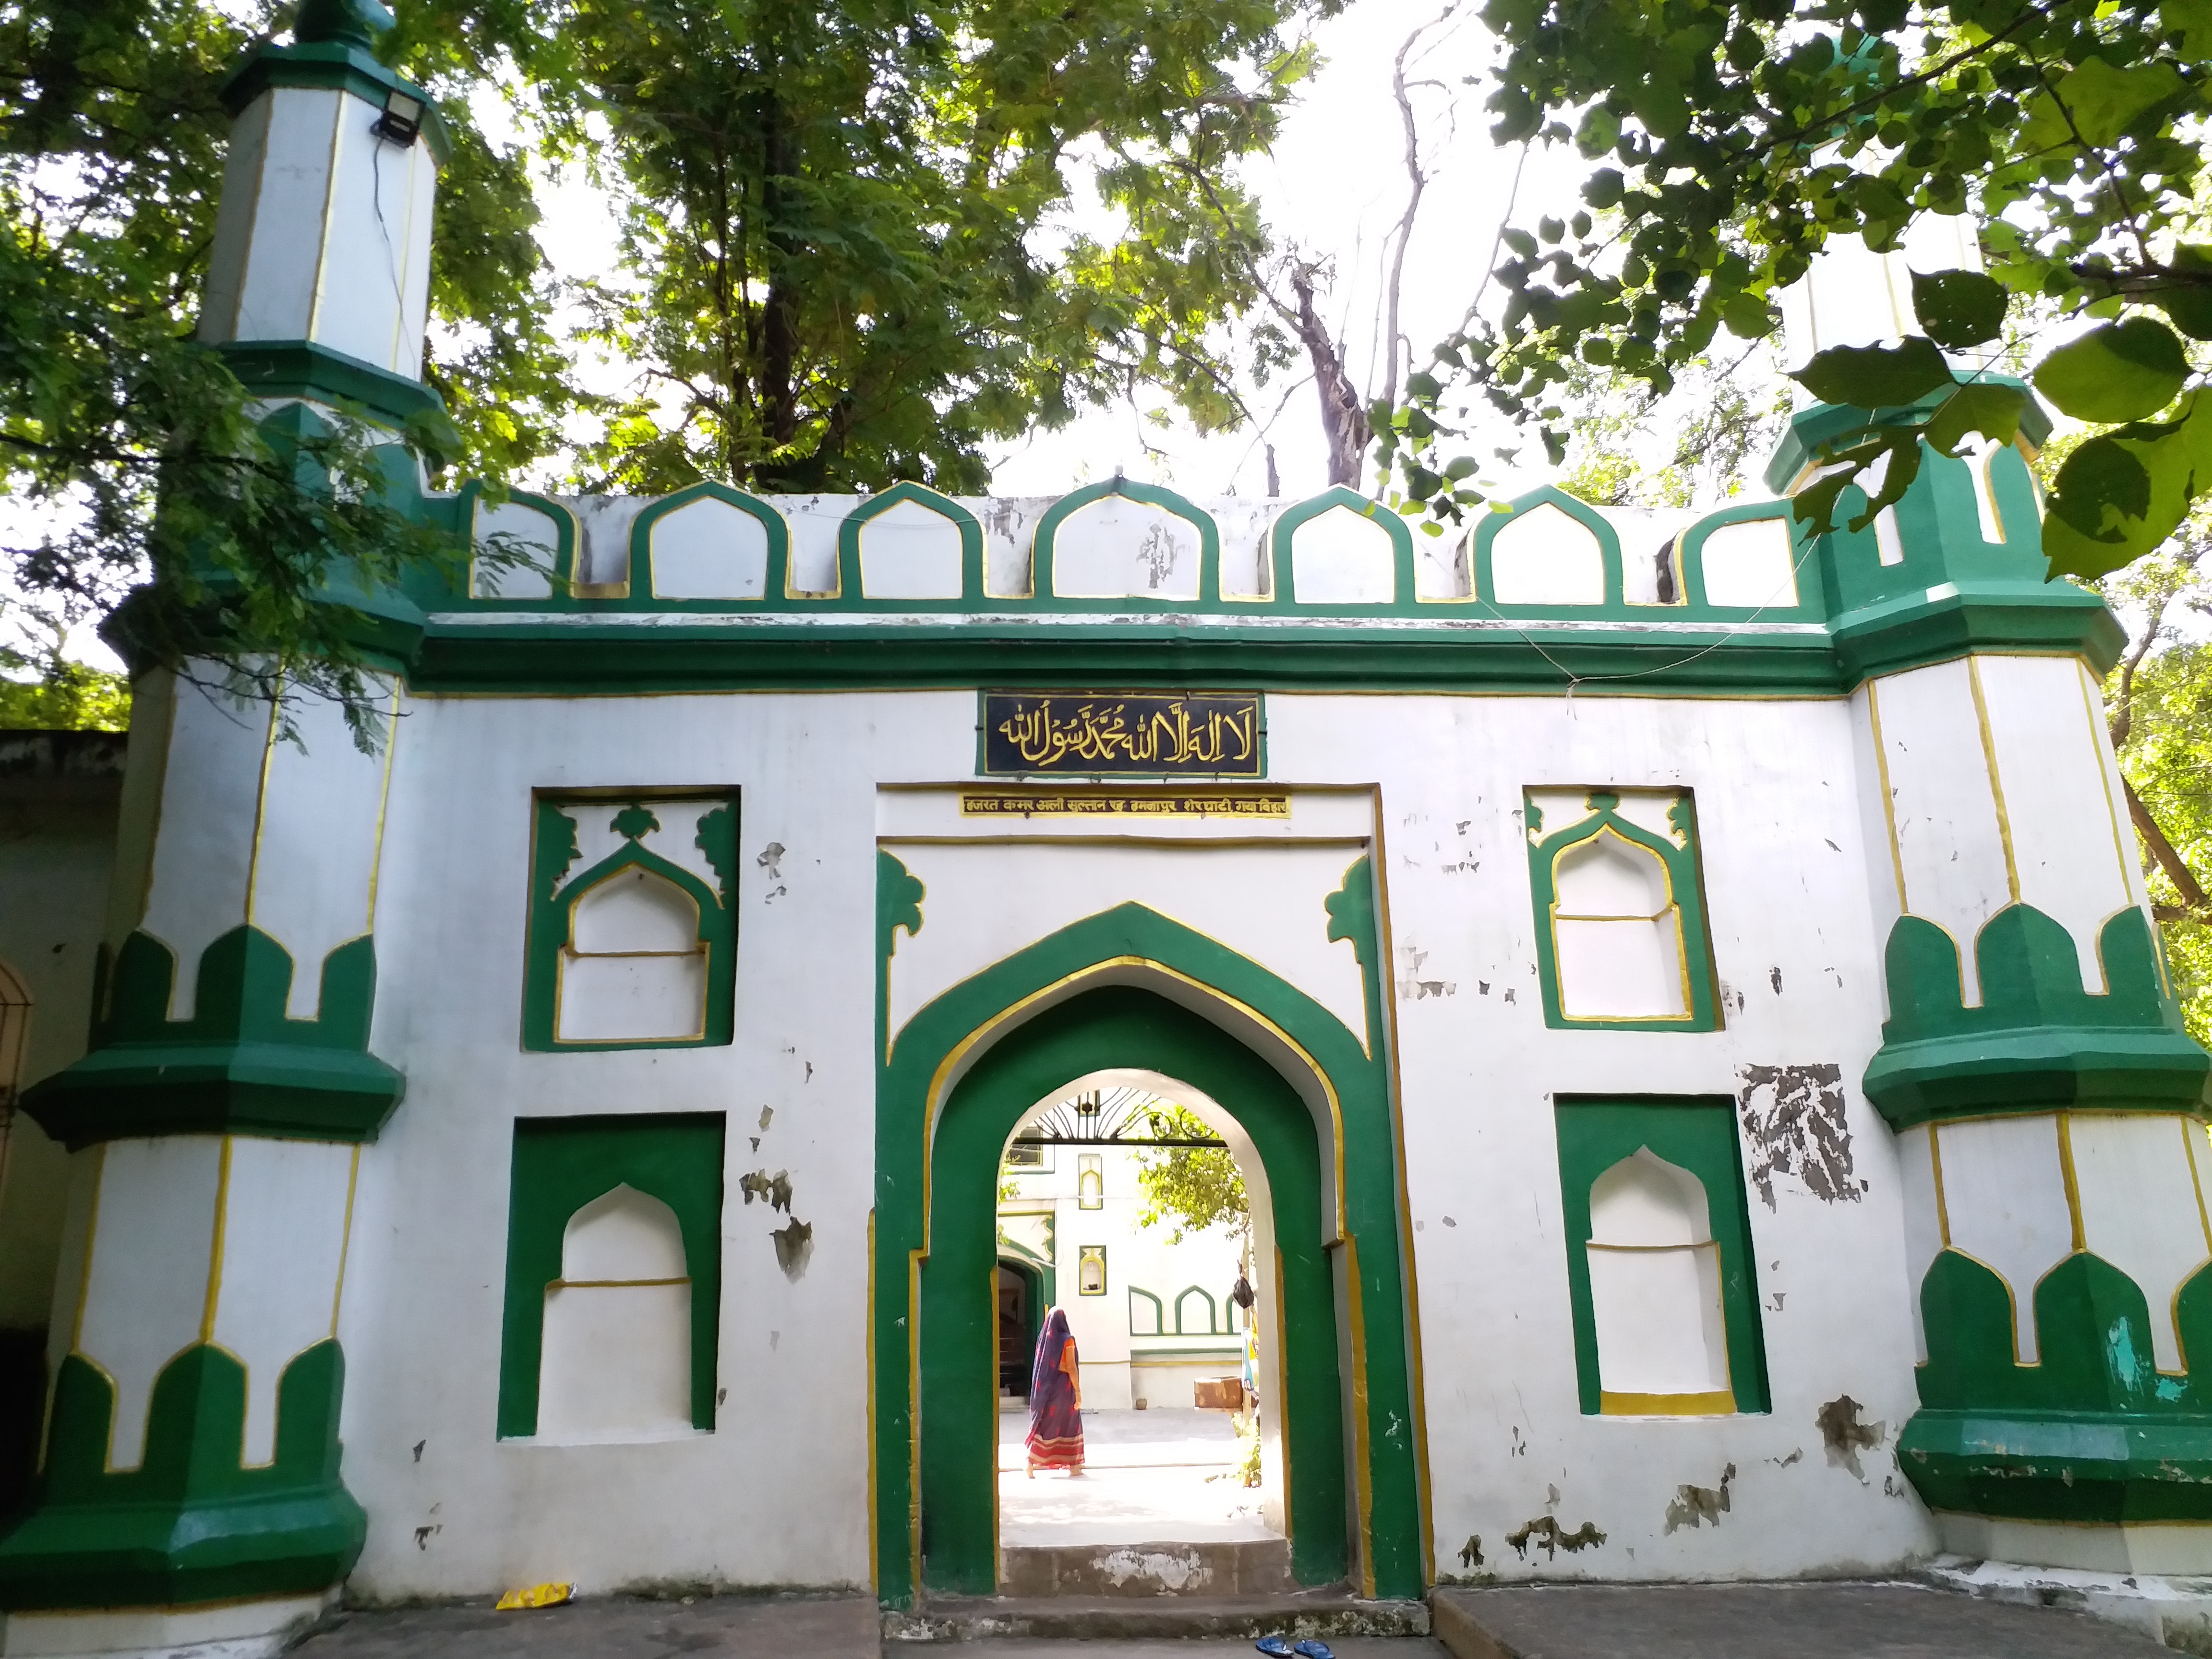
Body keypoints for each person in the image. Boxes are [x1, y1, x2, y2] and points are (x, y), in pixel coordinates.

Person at [1026, 1307, 1084, 1476]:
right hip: (1064, 1391)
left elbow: (1048, 1365)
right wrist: (1078, 1392)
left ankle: (1031, 1463)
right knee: (1070, 1425)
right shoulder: (1068, 1340)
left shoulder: (1044, 1341)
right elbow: (1071, 1368)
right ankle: (1074, 1465)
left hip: (1046, 1392)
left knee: (1046, 1426)